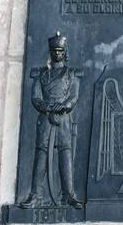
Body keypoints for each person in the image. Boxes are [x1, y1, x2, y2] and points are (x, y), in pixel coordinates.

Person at [19, 33, 83, 208]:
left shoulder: (71, 75)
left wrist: (64, 106)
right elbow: (35, 97)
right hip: (46, 119)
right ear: (50, 53)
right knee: (41, 155)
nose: (57, 54)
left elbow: (73, 96)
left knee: (65, 155)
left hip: (63, 119)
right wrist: (48, 107)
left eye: (60, 51)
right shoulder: (41, 75)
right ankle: (35, 195)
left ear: (65, 53)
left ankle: (68, 195)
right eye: (54, 51)